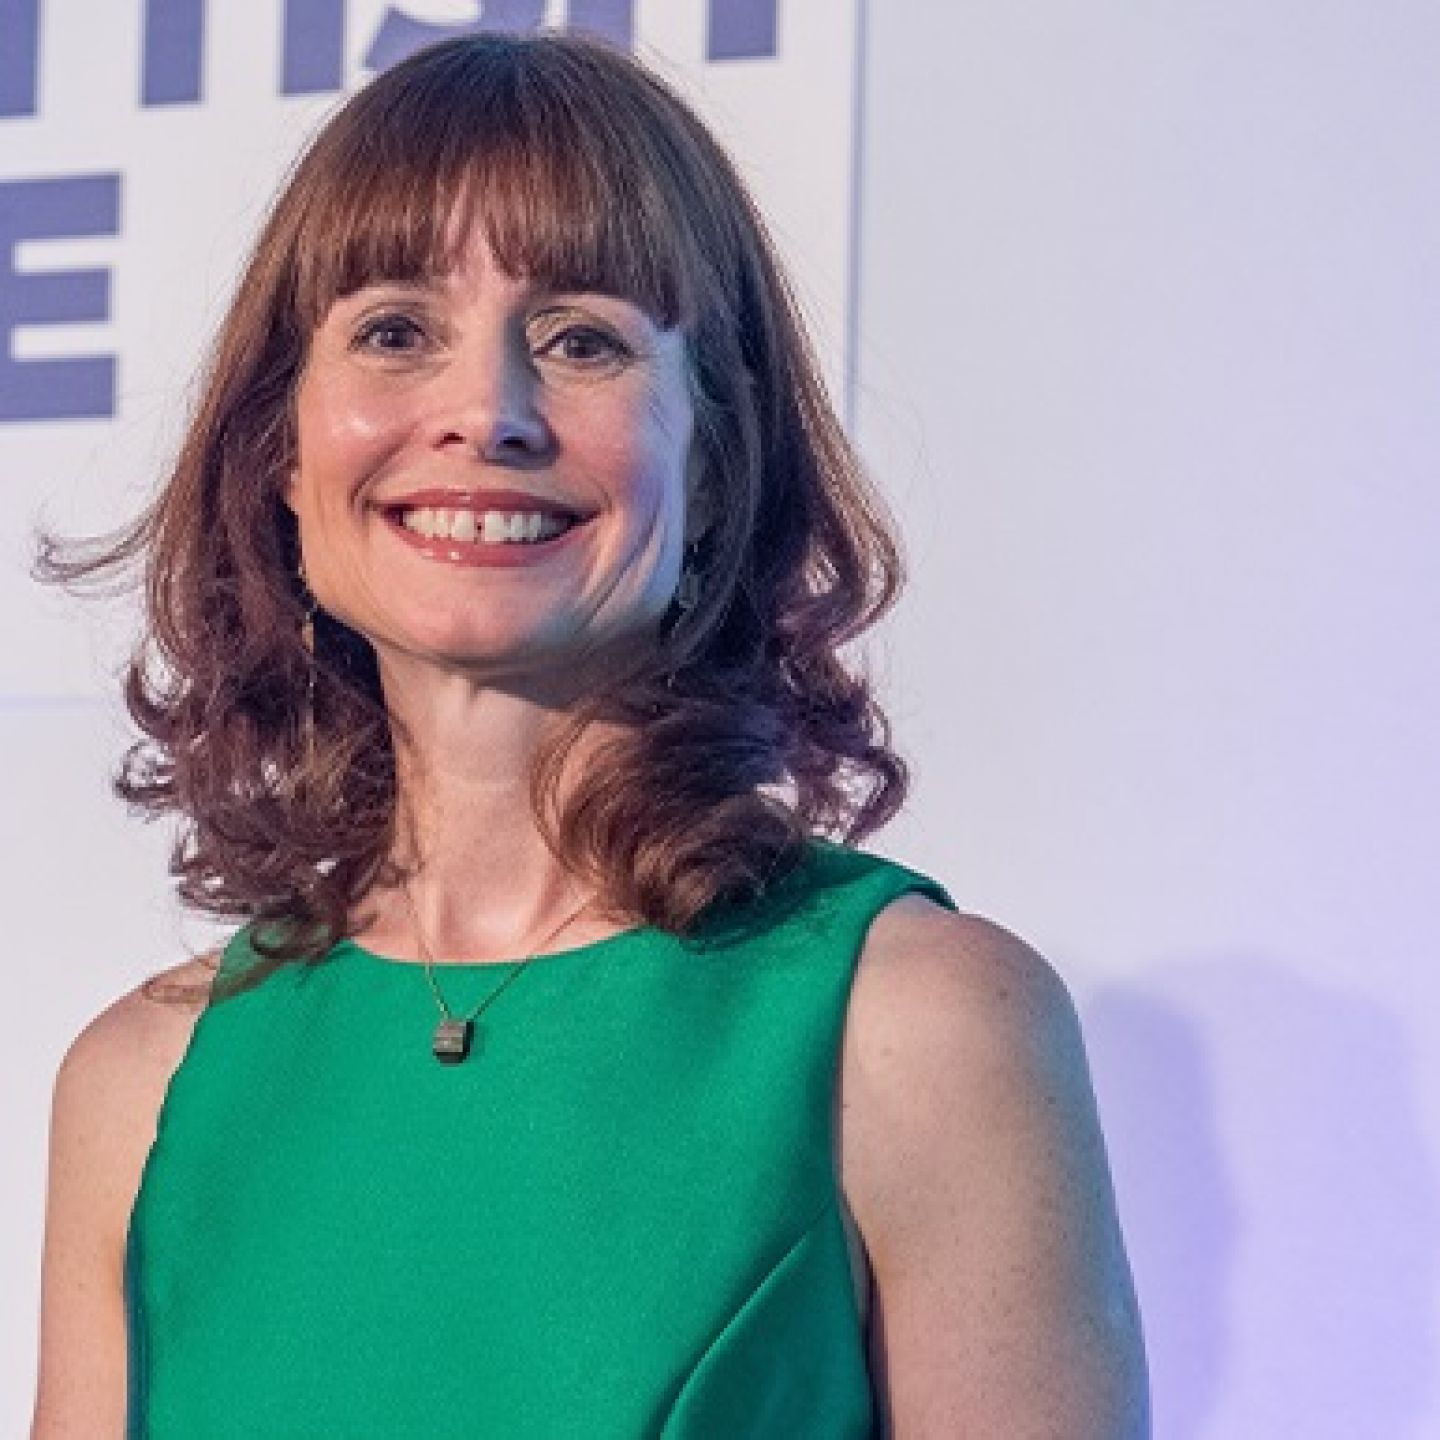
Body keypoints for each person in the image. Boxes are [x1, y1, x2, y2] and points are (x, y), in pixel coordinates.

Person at [29, 31, 1149, 1439]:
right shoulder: (140, 1085)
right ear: (282, 454)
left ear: (716, 459)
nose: (485, 414)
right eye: (395, 329)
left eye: (581, 341)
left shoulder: (923, 1023)